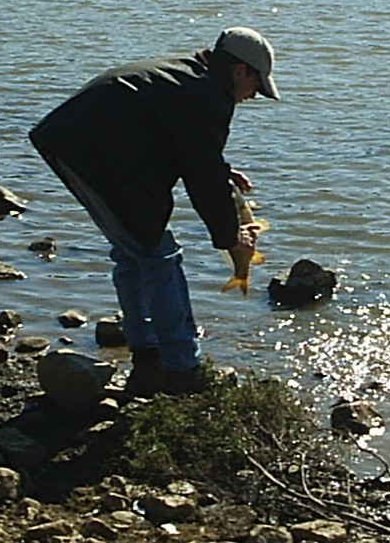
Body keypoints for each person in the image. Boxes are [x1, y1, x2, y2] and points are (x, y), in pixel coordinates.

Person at [29, 27, 280, 395]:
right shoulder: (210, 94)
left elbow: (184, 141)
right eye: (256, 85)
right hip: (98, 160)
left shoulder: (188, 75)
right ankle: (182, 370)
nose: (253, 95)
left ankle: (147, 361)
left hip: (67, 143)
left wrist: (222, 171)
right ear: (240, 70)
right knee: (160, 258)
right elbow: (202, 178)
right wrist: (231, 238)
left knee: (134, 254)